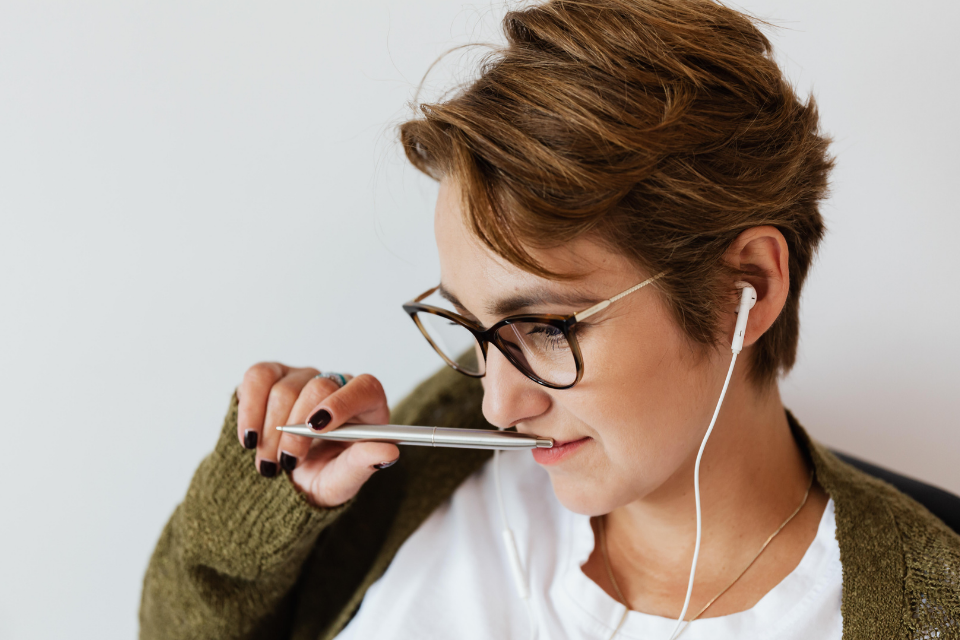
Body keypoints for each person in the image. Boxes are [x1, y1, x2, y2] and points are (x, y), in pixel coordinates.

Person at [139, 1, 960, 639]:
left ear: (747, 284)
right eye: (473, 328)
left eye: (549, 328)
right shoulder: (422, 465)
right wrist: (266, 518)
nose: (499, 405)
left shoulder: (924, 604)